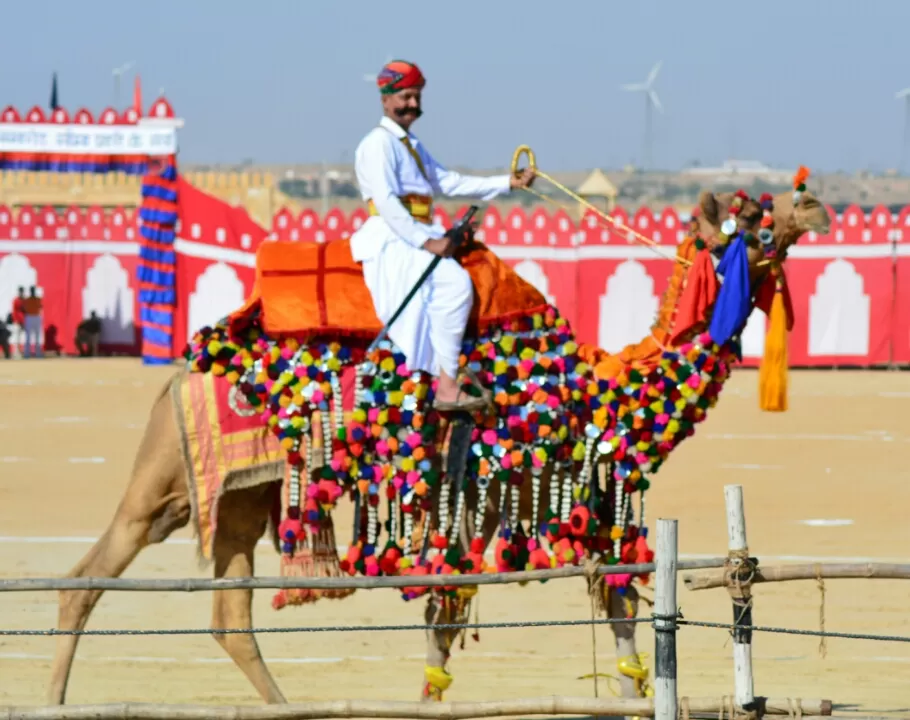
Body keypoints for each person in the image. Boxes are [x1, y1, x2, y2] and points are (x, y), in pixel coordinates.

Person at [350, 59, 535, 412]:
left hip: (417, 231)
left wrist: (507, 183)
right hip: (393, 236)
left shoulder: (410, 144)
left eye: (417, 97)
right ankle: (447, 387)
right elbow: (388, 204)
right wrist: (429, 242)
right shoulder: (378, 144)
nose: (413, 105)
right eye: (405, 96)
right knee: (453, 285)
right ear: (386, 99)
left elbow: (447, 182)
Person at [22, 285, 43, 358]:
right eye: (31, 290)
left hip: (36, 317)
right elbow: (23, 309)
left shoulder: (38, 299)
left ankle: (38, 353)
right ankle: (27, 354)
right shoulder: (27, 300)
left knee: (37, 336)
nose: (32, 291)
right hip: (29, 317)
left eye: (33, 290)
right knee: (28, 336)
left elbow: (41, 307)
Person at [11, 286, 25, 357]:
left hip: (22, 321)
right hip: (17, 322)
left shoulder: (23, 300)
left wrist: (24, 322)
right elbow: (14, 311)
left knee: (20, 338)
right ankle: (15, 353)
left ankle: (19, 352)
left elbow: (25, 312)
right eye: (20, 291)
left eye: (22, 291)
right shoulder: (16, 300)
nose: (21, 293)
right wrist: (16, 320)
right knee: (16, 338)